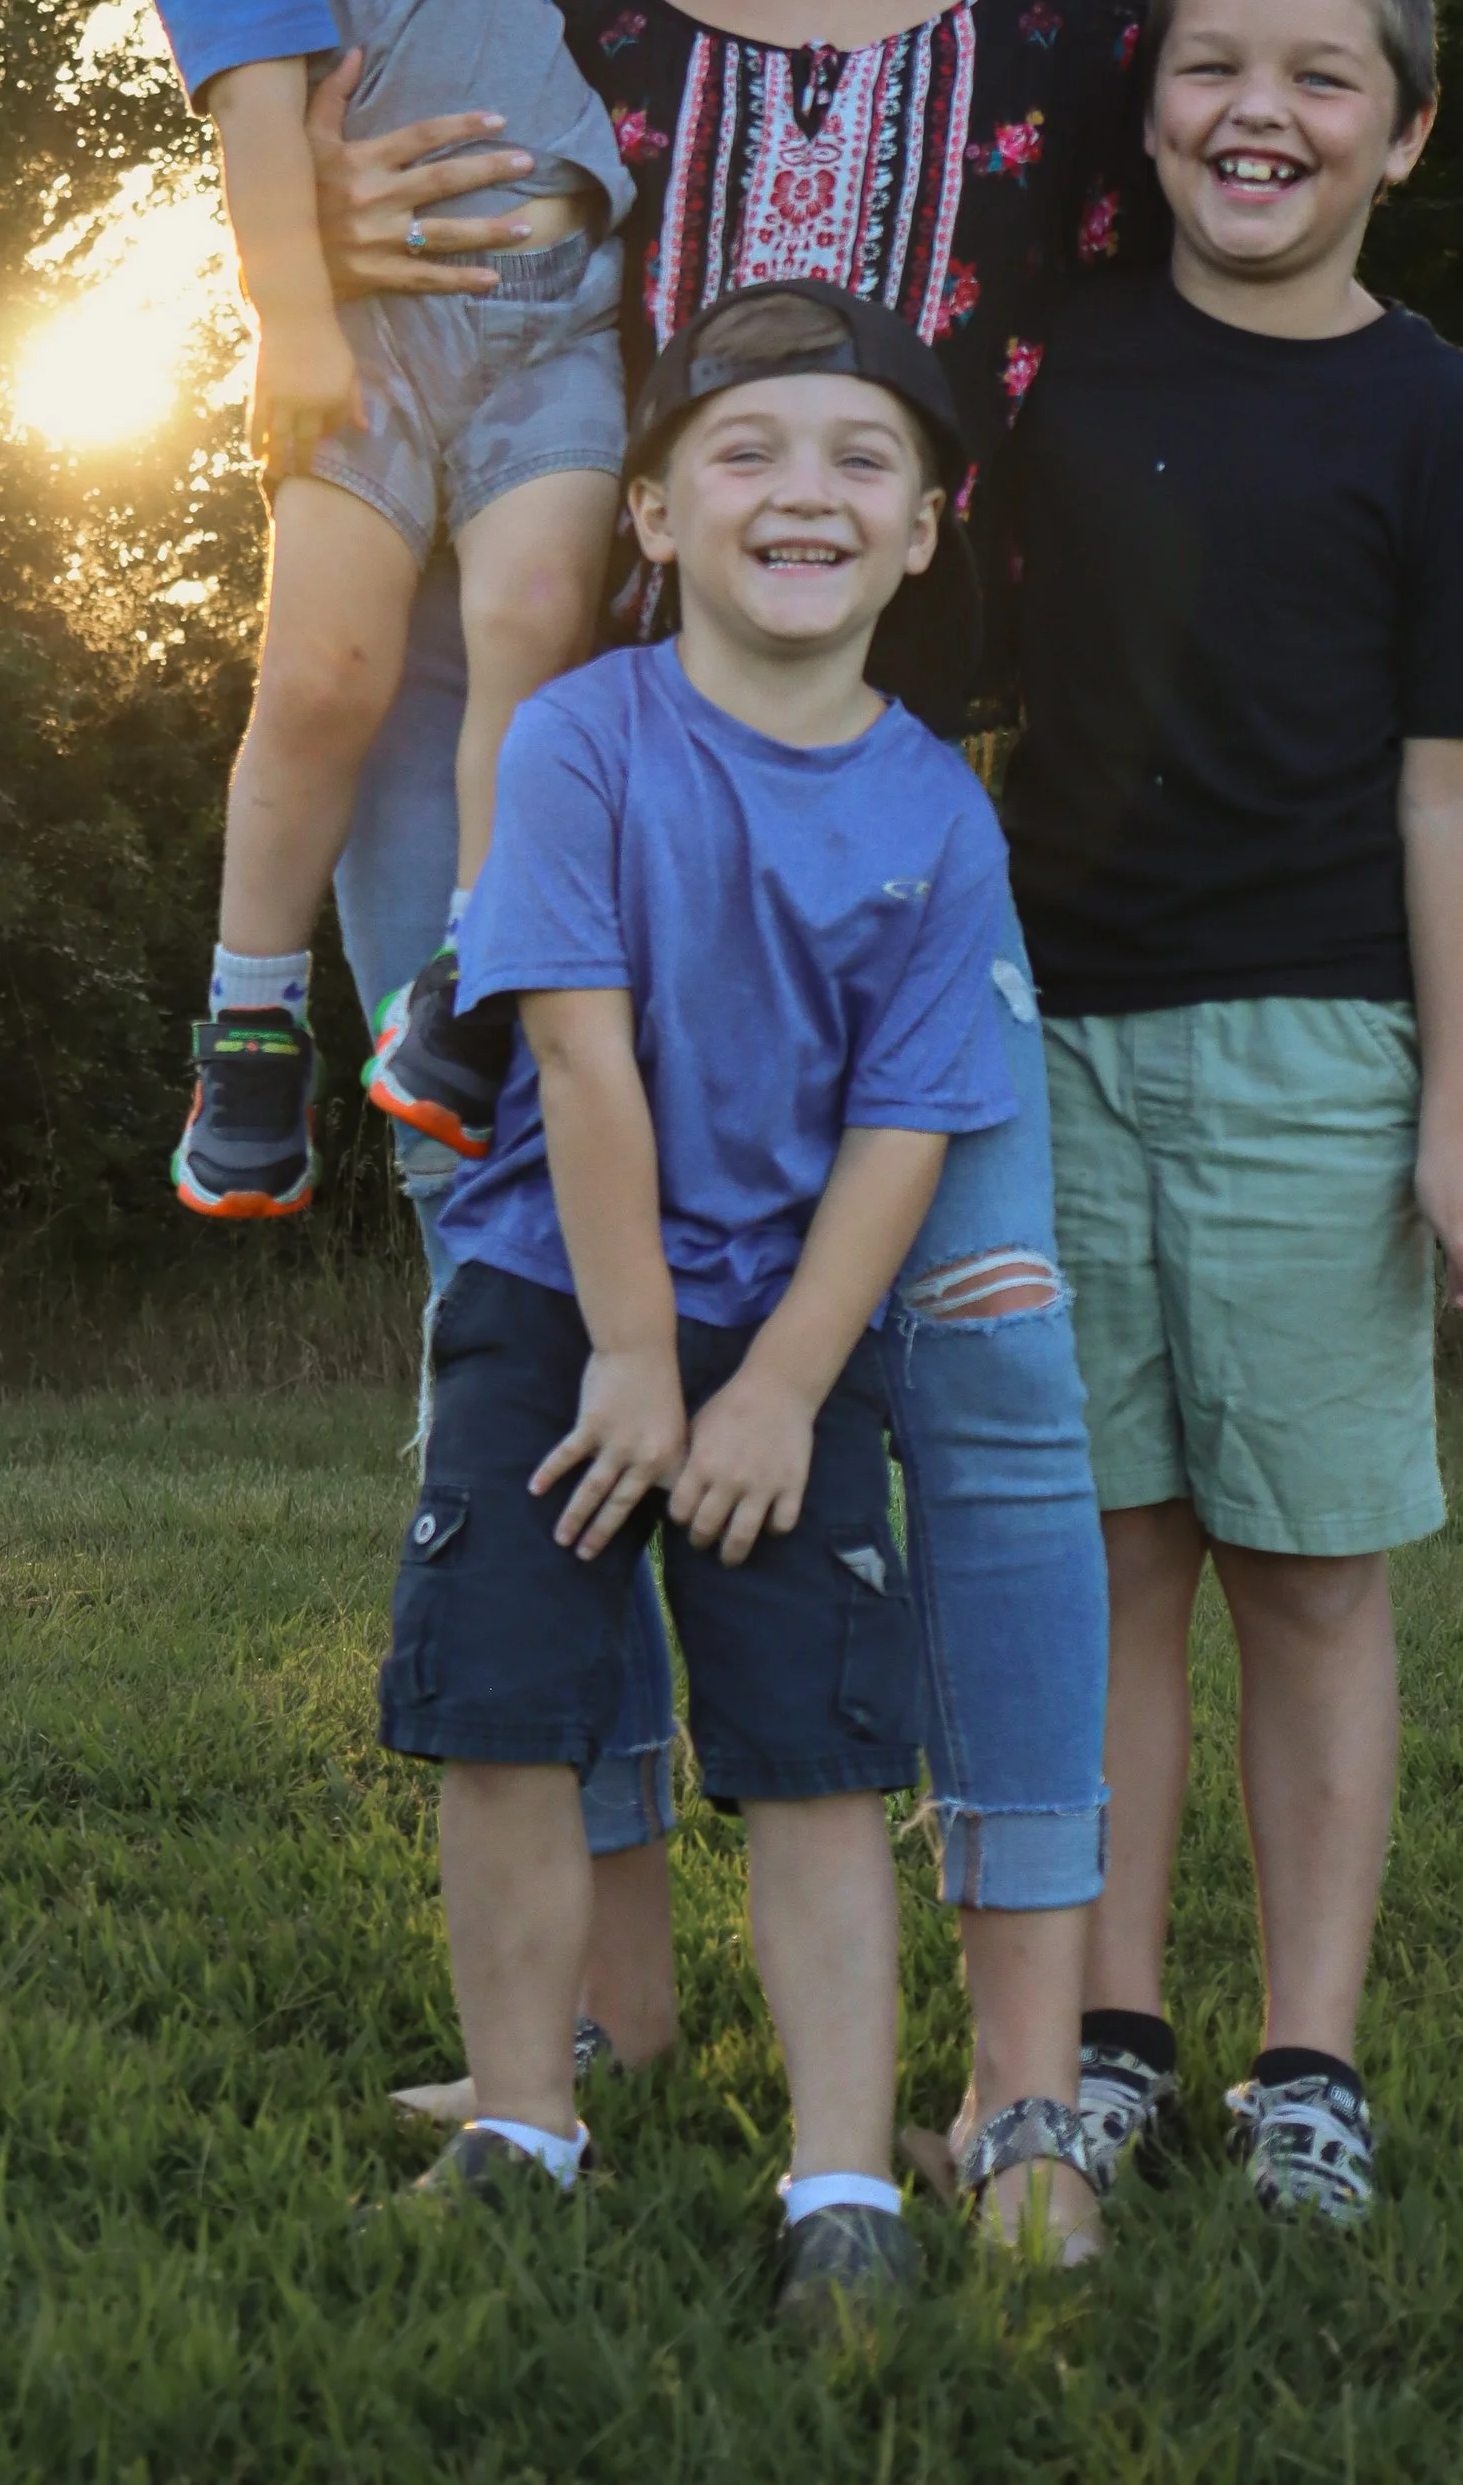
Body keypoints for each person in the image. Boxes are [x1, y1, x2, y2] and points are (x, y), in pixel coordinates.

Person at [313, 0, 1163, 2249]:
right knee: (565, 1360)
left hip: (926, 828)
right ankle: (596, 2006)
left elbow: (1207, 326)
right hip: (566, 769)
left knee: (988, 1410)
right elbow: (361, 205)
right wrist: (325, 244)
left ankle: (1019, 2076)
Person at [380, 281, 1014, 2324]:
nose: (799, 492)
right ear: (651, 511)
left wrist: (767, 1393)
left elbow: (902, 1137)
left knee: (819, 1758)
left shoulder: (938, 815)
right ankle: (517, 2124)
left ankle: (841, 2187)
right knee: (506, 1719)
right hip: (548, 1303)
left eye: (858, 460)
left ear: (922, 528)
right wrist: (636, 1366)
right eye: (742, 451)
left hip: (789, 1343)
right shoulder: (579, 741)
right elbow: (574, 1057)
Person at [999, 0, 1463, 2225]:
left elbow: (1453, 779)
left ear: (1399, 137)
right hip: (1042, 1042)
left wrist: (1453, 1118)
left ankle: (1298, 2064)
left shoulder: (1435, 418)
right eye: (1215, 64)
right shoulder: (1058, 363)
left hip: (1318, 1053)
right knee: (1104, 1558)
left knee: (1304, 1572)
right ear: (1149, 93)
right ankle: (1108, 2041)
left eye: (1322, 79)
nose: (1259, 113)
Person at [146, 0, 631, 1219]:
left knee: (533, 639)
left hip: (557, 334)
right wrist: (292, 318)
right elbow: (265, 129)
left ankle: (468, 990)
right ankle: (254, 1019)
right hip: (373, 346)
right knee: (329, 680)